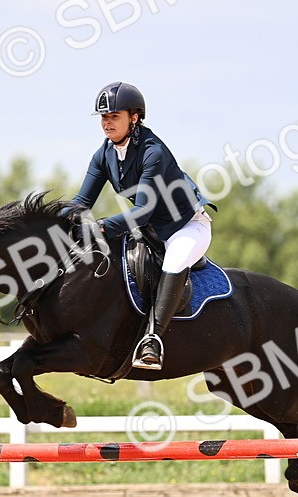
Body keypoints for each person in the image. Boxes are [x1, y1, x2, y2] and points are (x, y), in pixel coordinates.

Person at [72, 81, 214, 370]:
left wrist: (101, 227)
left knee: (175, 258)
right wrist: (48, 219)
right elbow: (81, 202)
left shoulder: (153, 152)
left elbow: (143, 211)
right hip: (150, 232)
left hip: (187, 227)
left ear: (134, 118)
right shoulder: (105, 154)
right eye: (103, 117)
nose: (107, 124)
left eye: (114, 116)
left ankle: (153, 339)